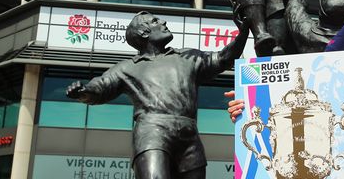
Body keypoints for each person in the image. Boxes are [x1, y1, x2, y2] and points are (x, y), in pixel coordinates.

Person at [67, 11, 249, 179]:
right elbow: (101, 87)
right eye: (155, 21)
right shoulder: (127, 67)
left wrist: (243, 34)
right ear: (144, 33)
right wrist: (83, 92)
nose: (163, 21)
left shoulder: (187, 57)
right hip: (152, 133)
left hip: (189, 135)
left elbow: (223, 58)